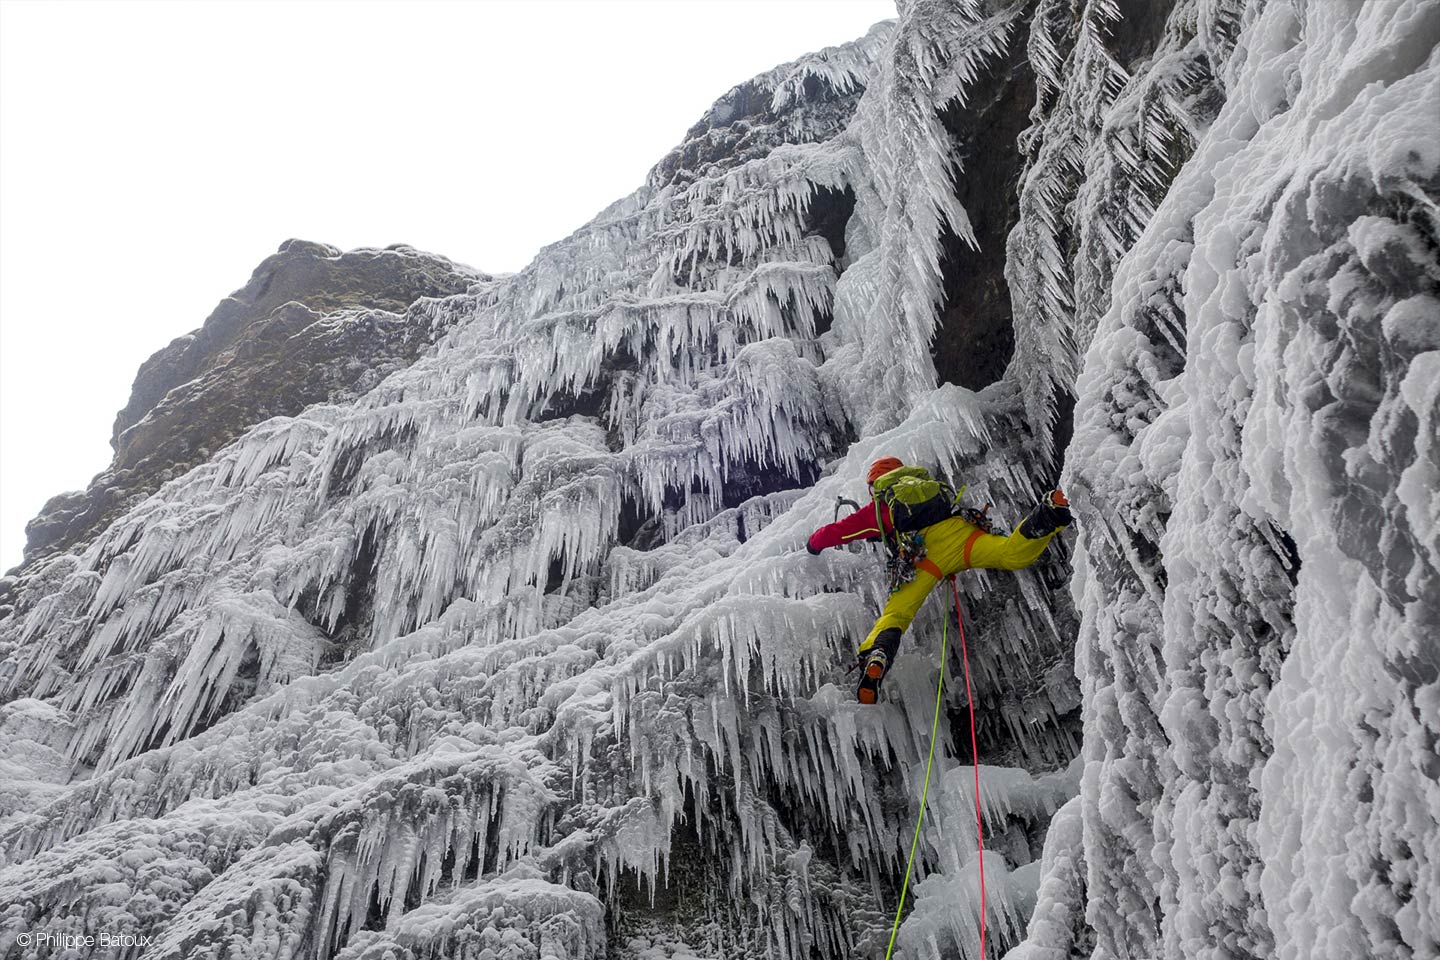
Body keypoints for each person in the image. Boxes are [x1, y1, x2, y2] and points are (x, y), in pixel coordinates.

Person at [807, 456, 1071, 703]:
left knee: (896, 614)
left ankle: (878, 654)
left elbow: (838, 532)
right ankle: (1049, 512)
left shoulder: (882, 506)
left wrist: (813, 544)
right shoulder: (925, 484)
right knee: (1010, 554)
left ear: (875, 485)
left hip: (923, 556)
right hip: (960, 535)